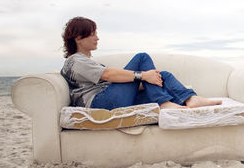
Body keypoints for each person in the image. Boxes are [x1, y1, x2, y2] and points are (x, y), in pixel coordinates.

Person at [60, 16, 221, 110]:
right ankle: (164, 103)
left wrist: (149, 79)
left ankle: (190, 100)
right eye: (92, 34)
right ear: (78, 38)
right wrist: (143, 75)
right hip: (100, 102)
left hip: (112, 99)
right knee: (142, 58)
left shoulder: (86, 62)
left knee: (162, 75)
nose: (97, 38)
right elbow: (108, 75)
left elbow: (113, 80)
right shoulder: (75, 61)